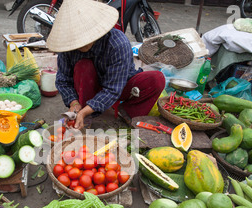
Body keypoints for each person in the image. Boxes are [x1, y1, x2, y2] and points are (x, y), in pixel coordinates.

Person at [46, 0, 165, 130]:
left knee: (156, 79)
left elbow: (113, 89)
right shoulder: (68, 47)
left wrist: (85, 110)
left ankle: (125, 114)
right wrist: (74, 103)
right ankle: (86, 116)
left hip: (119, 85)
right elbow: (63, 80)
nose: (81, 44)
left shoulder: (118, 43)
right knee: (83, 66)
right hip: (88, 87)